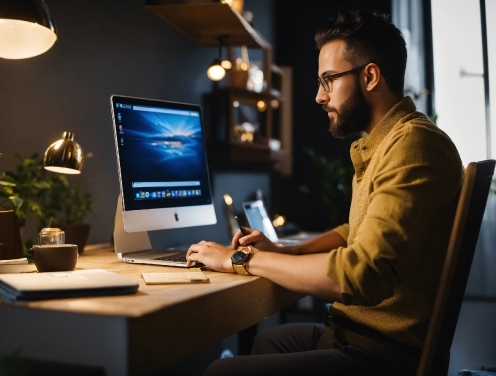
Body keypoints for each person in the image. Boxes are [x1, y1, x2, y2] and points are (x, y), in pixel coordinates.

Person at [186, 9, 463, 376]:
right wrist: (287, 250)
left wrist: (238, 260)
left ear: (370, 76)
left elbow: (362, 273)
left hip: (382, 355)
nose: (319, 96)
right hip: (358, 334)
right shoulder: (384, 145)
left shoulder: (413, 146)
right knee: (266, 342)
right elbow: (357, 232)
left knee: (218, 373)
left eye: (329, 80)